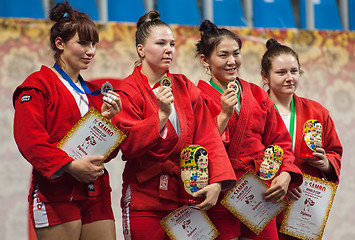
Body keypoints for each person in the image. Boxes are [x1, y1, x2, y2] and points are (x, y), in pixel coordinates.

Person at [111, 11, 236, 239]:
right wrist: (160, 116)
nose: (169, 49)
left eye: (172, 44)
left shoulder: (184, 85)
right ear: (141, 49)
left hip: (185, 191)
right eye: (160, 43)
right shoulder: (127, 90)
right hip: (144, 196)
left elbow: (207, 135)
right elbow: (128, 144)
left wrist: (217, 181)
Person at [13, 1, 122, 240]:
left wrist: (106, 122)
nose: (91, 51)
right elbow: (29, 140)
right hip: (57, 193)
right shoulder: (38, 85)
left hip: (96, 193)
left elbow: (108, 154)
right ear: (59, 44)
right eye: (82, 43)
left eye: (93, 44)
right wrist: (70, 166)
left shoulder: (94, 93)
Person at [196, 20, 303, 240]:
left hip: (259, 189)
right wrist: (223, 115)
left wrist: (285, 173)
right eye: (223, 55)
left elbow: (279, 140)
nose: (232, 61)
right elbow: (199, 149)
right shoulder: (197, 97)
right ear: (205, 60)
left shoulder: (255, 92)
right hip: (221, 190)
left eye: (236, 53)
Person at [260, 38, 342, 239]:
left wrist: (326, 163)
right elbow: (248, 154)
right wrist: (281, 180)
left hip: (303, 203)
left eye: (294, 71)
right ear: (265, 76)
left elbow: (334, 151)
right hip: (266, 199)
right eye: (281, 72)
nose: (289, 78)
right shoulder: (256, 110)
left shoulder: (317, 111)